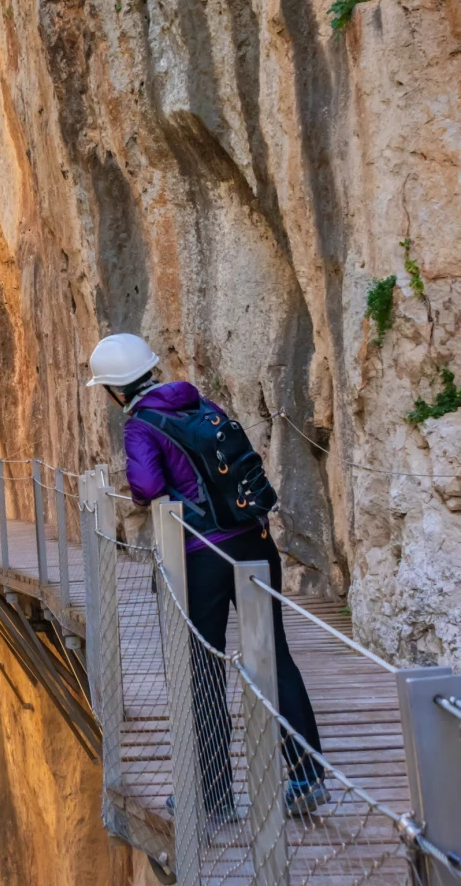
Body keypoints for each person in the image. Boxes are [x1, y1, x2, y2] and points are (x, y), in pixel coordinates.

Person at [87, 333, 328, 818]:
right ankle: (306, 777)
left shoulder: (140, 425)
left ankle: (213, 795)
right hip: (254, 540)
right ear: (150, 370)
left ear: (115, 390)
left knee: (202, 669)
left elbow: (148, 487)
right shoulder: (197, 400)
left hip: (202, 556)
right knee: (276, 657)